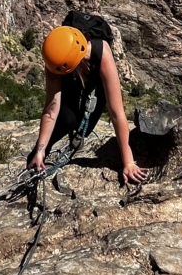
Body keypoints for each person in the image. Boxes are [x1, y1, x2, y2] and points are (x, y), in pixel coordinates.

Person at [29, 21, 147, 186]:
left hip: (94, 73)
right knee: (66, 120)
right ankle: (35, 160)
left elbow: (116, 113)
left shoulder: (102, 53)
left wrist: (128, 163)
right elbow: (50, 111)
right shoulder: (55, 57)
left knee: (85, 129)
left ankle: (76, 136)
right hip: (69, 70)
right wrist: (40, 150)